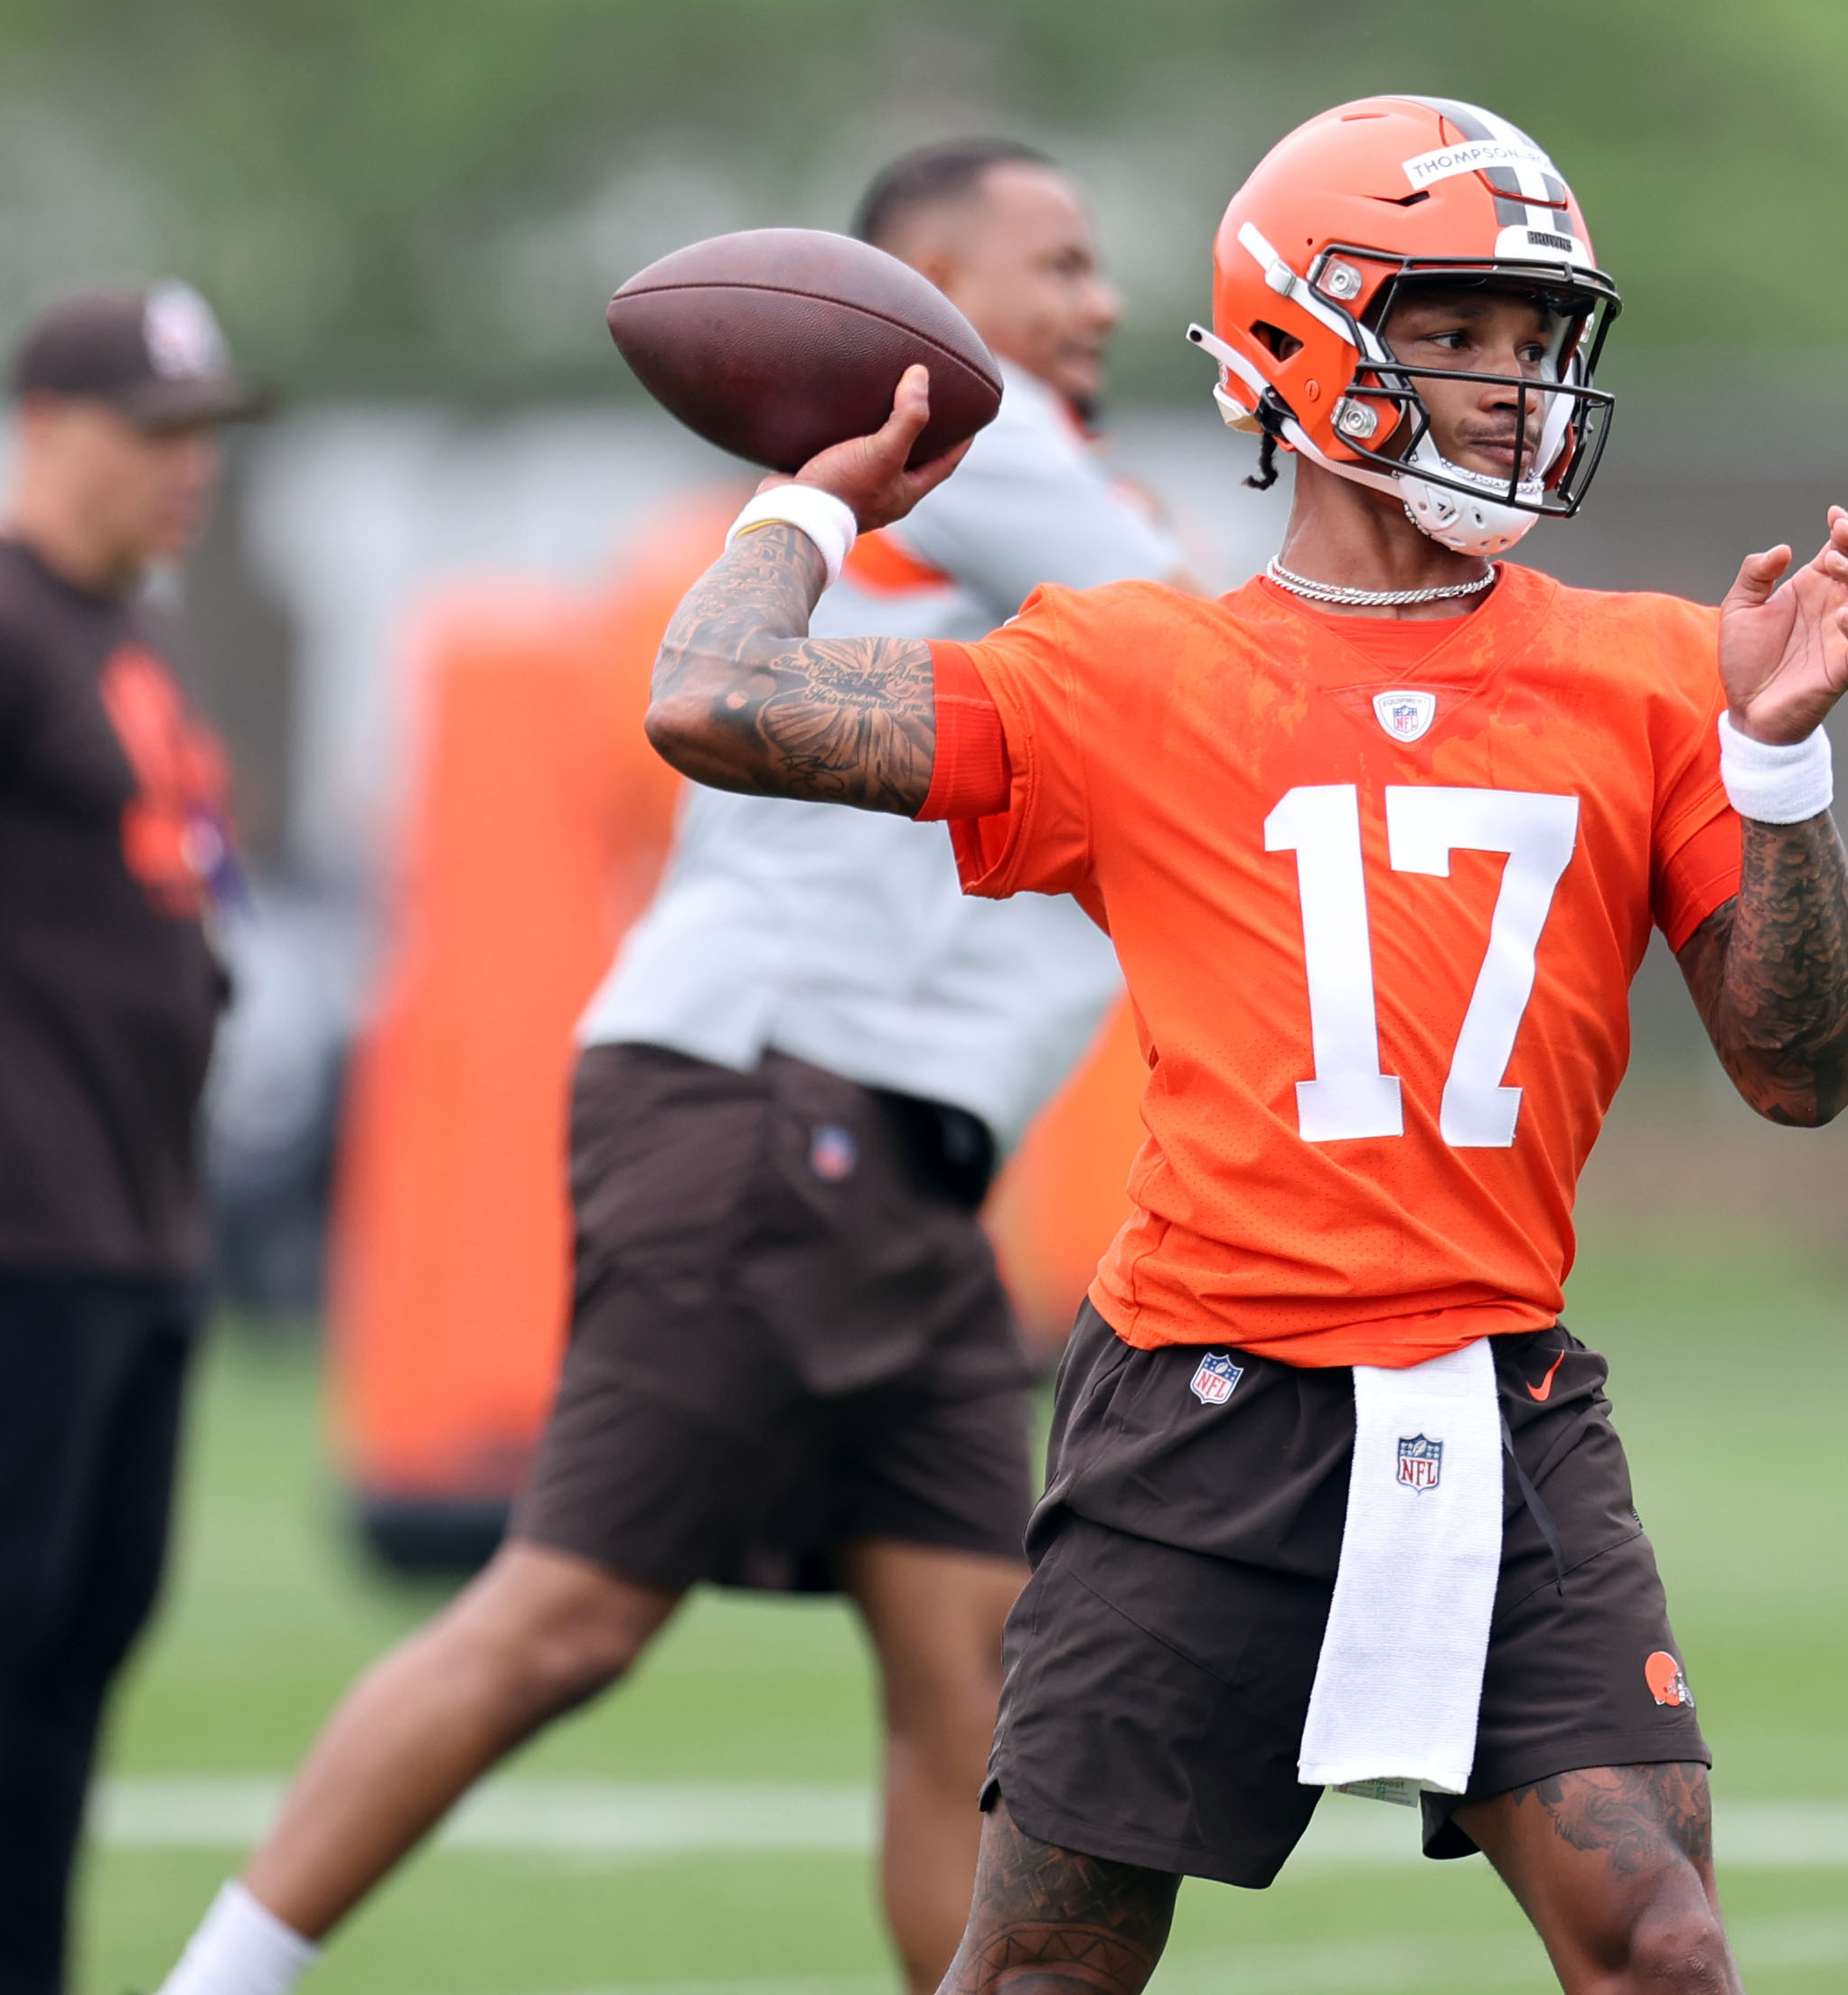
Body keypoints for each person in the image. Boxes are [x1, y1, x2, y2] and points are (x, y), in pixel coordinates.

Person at [640, 96, 1848, 1994]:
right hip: (1203, 1411)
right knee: (1047, 1971)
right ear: (1305, 346)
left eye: (1532, 337)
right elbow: (714, 697)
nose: (1510, 383)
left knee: (1660, 1946)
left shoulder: (1650, 668)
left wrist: (1777, 760)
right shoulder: (1133, 668)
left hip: (1502, 1402)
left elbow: (1797, 1072)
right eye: (1455, 330)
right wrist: (816, 501)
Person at [155, 142, 1181, 1995]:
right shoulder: (971, 420)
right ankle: (214, 1982)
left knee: (968, 1666)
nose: (1097, 302)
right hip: (765, 1110)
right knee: (564, 1617)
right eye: (1060, 261)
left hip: (900, 1172)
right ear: (920, 285)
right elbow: (1192, 647)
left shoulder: (987, 481)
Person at [0, 282, 262, 1995]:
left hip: (135, 1238)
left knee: (69, 1664)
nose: (190, 474)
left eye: (204, 441)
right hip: (21, 1240)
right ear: (45, 431)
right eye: (153, 436)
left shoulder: (119, 639)